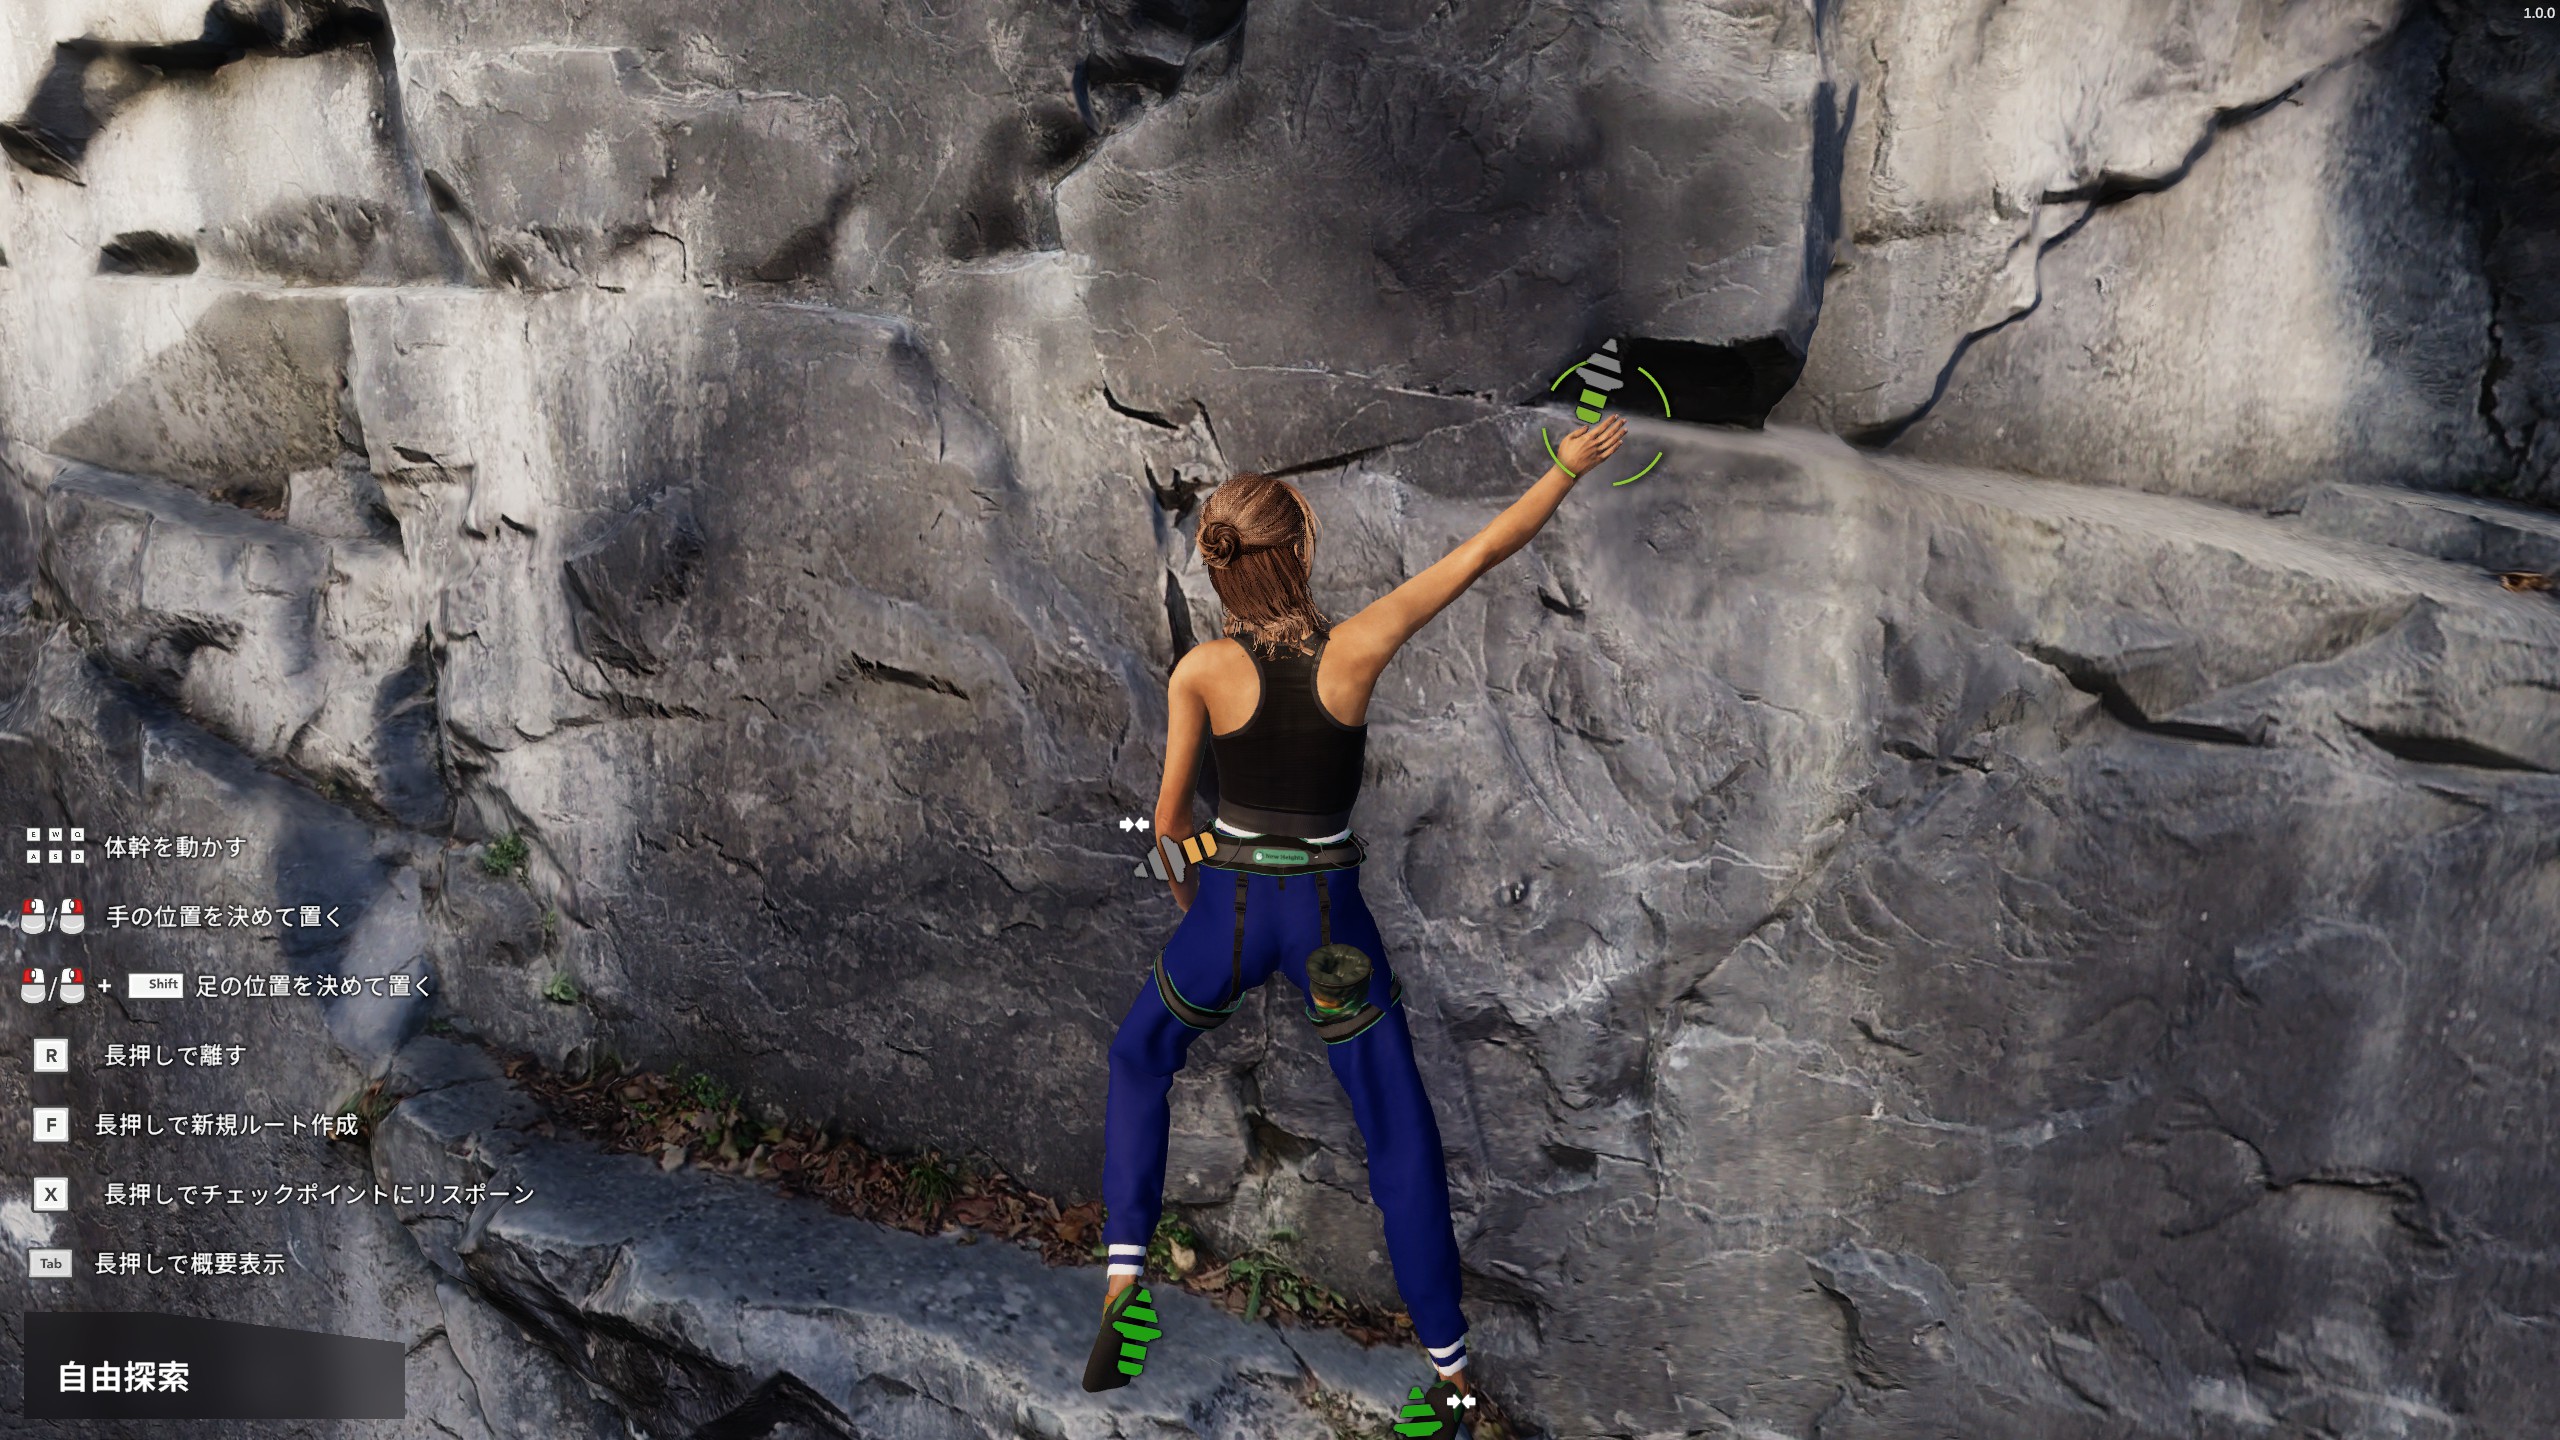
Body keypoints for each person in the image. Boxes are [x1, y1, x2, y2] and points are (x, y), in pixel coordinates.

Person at [1084, 415, 1630, 1428]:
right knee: (1396, 1130)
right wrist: (1561, 468)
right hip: (1329, 917)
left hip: (1230, 909)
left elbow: (1168, 828)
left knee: (1139, 1054)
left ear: (1220, 569)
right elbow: (1483, 550)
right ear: (1299, 553)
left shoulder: (1200, 671)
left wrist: (1201, 922)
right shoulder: (1358, 646)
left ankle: (1124, 1280)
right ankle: (1452, 1382)